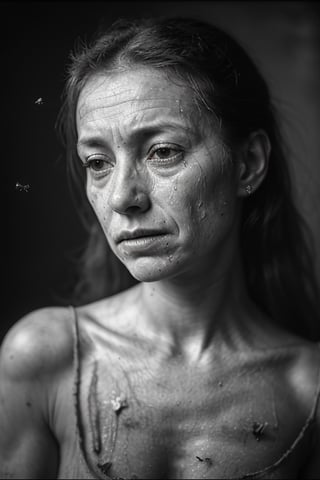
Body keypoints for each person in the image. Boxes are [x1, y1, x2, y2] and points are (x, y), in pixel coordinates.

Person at [1, 16, 320, 480]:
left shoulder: (307, 392)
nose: (121, 197)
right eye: (97, 162)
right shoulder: (45, 361)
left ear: (247, 164)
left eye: (163, 151)